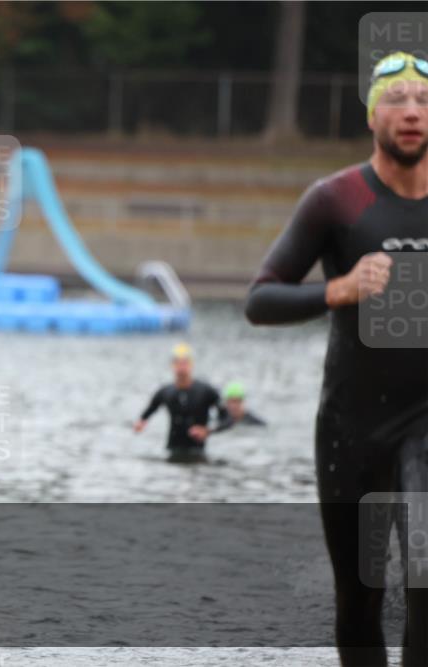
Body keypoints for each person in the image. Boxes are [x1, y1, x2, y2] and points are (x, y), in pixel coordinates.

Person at [245, 51, 427, 667]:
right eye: (396, 100)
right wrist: (338, 289)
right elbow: (259, 300)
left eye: (424, 101)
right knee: (359, 604)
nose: (411, 113)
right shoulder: (335, 200)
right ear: (372, 114)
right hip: (351, 429)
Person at [134, 343, 231, 463]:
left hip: (198, 453)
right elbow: (148, 412)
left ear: (191, 365)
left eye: (185, 363)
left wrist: (208, 430)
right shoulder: (165, 392)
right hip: (172, 451)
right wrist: (140, 423)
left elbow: (227, 419)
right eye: (178, 363)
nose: (181, 367)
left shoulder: (206, 391)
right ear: (172, 365)